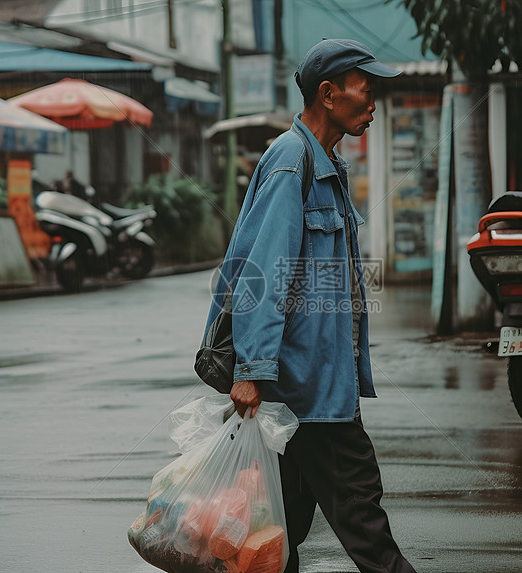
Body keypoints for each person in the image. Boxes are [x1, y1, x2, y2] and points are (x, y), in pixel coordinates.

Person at [203, 39, 417, 573]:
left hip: (315, 382)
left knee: (280, 530)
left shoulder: (324, 164)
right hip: (306, 388)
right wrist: (251, 370)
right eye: (365, 92)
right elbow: (262, 273)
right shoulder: (290, 162)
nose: (373, 105)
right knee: (362, 516)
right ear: (328, 93)